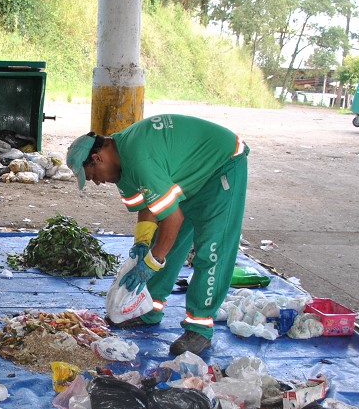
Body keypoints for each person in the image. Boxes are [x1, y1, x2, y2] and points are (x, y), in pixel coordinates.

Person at [66, 114, 249, 356]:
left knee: (212, 250)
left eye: (92, 176)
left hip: (221, 166)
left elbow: (173, 218)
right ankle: (148, 309)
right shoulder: (121, 164)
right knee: (160, 244)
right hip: (189, 175)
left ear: (98, 158)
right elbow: (147, 206)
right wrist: (143, 243)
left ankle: (200, 328)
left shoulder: (140, 159)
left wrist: (153, 262)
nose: (97, 183)